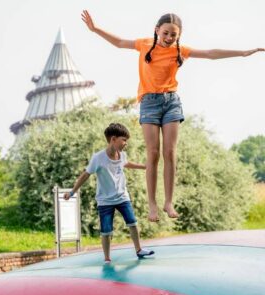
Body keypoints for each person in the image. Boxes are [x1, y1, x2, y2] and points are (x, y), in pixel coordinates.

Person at [81, 10, 264, 222]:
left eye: (173, 35)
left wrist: (242, 53)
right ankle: (152, 205)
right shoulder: (144, 44)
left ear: (179, 36)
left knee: (170, 151)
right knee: (153, 153)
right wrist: (95, 29)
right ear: (157, 30)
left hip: (171, 103)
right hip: (149, 103)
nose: (169, 38)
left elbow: (210, 53)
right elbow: (120, 42)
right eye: (166, 33)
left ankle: (168, 202)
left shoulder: (180, 51)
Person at [64, 123, 154, 263]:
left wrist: (144, 167)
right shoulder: (98, 158)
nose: (126, 143)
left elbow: (127, 163)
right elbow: (85, 175)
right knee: (106, 231)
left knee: (133, 223)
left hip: (122, 196)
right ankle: (107, 259)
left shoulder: (122, 155)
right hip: (105, 200)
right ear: (113, 139)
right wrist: (72, 192)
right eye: (124, 140)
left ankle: (139, 250)